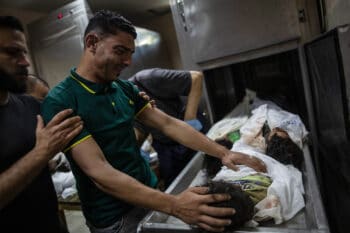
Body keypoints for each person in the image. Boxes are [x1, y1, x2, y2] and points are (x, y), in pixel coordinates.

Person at [41, 10, 266, 233]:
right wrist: (174, 204)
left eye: (130, 53)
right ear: (92, 43)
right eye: (120, 51)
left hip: (150, 196)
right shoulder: (62, 100)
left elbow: (168, 124)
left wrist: (222, 153)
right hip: (114, 217)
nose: (128, 61)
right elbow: (99, 173)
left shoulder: (123, 88)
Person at [0, 15, 83, 233]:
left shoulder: (30, 106)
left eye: (24, 52)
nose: (25, 62)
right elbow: (41, 153)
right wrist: (41, 153)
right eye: (12, 52)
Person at [129, 68, 208, 187]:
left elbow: (196, 78)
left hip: (186, 126)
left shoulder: (147, 78)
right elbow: (140, 129)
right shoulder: (122, 107)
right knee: (177, 183)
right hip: (164, 143)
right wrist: (135, 150)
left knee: (205, 168)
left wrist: (189, 121)